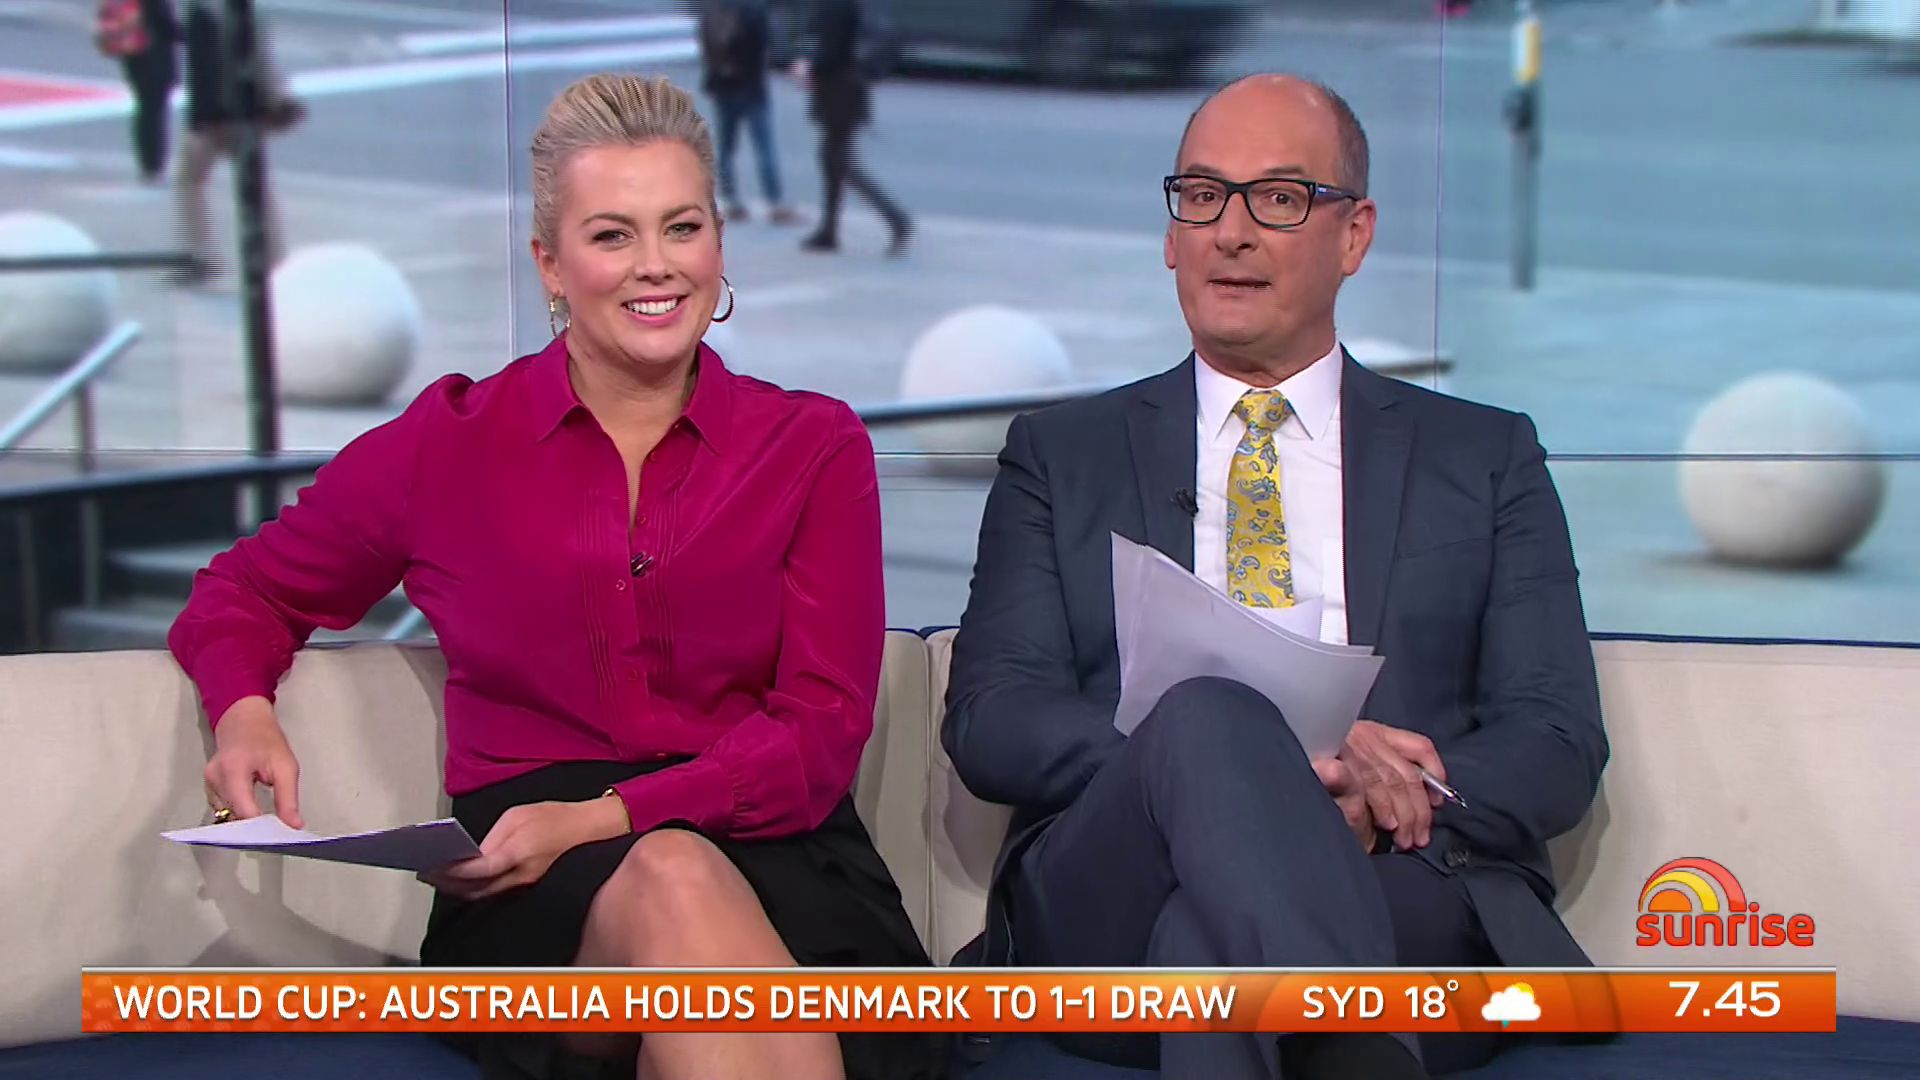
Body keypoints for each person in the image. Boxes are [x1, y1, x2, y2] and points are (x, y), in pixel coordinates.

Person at [170, 73, 945, 1080]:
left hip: (781, 856)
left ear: (719, 243)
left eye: (682, 228)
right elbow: (246, 592)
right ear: (550, 264)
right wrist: (243, 710)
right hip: (532, 892)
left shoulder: (812, 446)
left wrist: (606, 816)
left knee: (676, 871)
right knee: (671, 878)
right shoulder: (448, 446)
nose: (656, 265)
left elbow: (819, 732)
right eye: (612, 235)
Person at [942, 73, 1608, 1079]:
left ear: (1355, 236)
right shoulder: (1061, 455)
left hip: (1395, 875)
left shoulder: (1483, 458)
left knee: (1208, 945)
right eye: (1203, 196)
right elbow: (993, 718)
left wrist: (1392, 791)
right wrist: (1244, 767)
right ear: (1172, 236)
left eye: (1280, 198)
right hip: (1112, 889)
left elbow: (1555, 738)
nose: (1231, 232)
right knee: (1211, 717)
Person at [172, 0, 302, 284]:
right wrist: (277, 101)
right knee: (257, 189)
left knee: (190, 181)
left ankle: (198, 254)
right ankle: (275, 260)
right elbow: (264, 62)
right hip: (246, 114)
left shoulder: (203, 12)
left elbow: (204, 68)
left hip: (214, 117)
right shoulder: (247, 13)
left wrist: (204, 115)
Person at [795, 0, 911, 257]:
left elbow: (830, 51)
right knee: (834, 161)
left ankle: (896, 219)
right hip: (851, 90)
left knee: (839, 163)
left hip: (837, 93)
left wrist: (809, 67)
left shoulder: (834, 6)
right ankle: (829, 229)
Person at [698, 0, 800, 224]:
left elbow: (706, 46)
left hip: (724, 87)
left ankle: (731, 199)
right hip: (752, 88)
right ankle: (775, 202)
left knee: (726, 147)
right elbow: (764, 47)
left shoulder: (713, 9)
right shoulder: (753, 10)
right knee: (764, 147)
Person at [94, 0, 179, 184]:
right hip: (152, 54)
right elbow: (164, 23)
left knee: (146, 109)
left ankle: (149, 165)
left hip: (134, 51)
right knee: (153, 112)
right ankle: (153, 164)